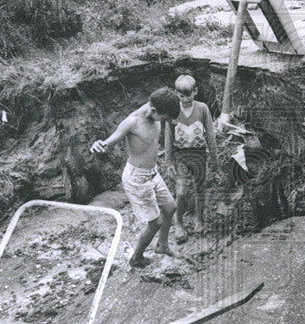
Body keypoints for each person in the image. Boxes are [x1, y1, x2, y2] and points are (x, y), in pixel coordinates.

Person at [90, 87, 180, 267]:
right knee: (155, 223)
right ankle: (136, 258)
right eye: (164, 118)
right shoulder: (132, 122)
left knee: (170, 207)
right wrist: (100, 144)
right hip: (136, 178)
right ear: (154, 111)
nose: (167, 122)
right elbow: (110, 142)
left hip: (152, 172)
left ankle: (162, 245)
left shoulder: (159, 107)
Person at [164, 74, 220, 241]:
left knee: (199, 189)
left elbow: (210, 134)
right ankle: (178, 224)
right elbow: (168, 136)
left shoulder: (202, 109)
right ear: (176, 94)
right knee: (180, 192)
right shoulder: (173, 110)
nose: (185, 99)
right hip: (181, 156)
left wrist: (215, 159)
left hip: (199, 155)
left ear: (195, 91)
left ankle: (199, 219)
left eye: (188, 95)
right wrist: (168, 161)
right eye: (181, 96)